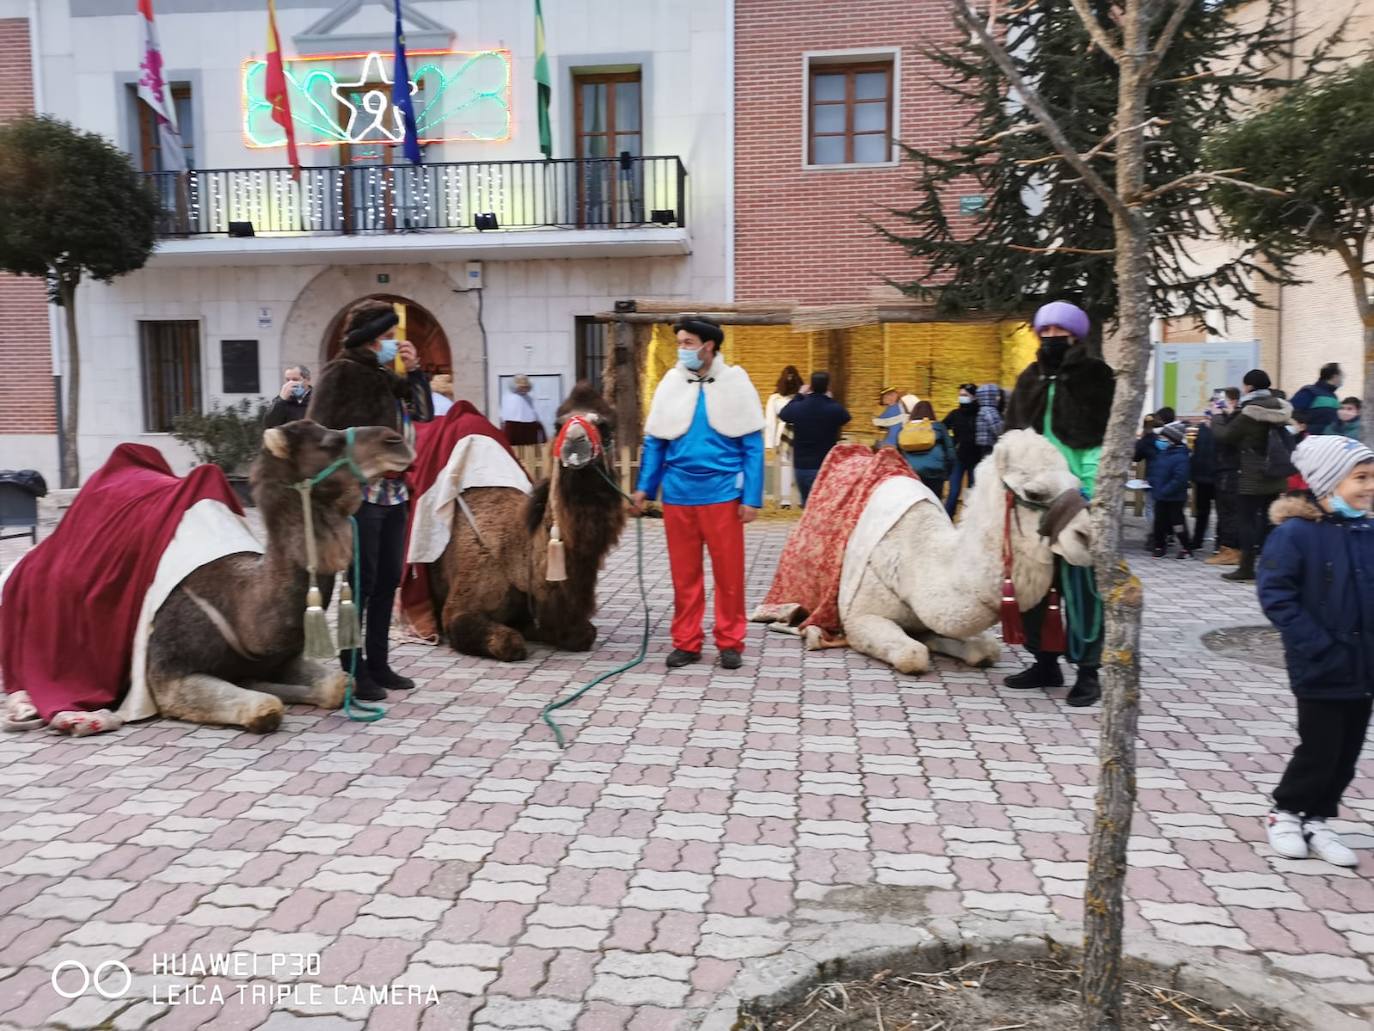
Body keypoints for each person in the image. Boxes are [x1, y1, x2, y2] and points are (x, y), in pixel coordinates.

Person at [307, 299, 433, 700]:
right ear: (367, 337)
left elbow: (426, 414)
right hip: (359, 493)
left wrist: (415, 373)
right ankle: (353, 664)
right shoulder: (339, 373)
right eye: (386, 336)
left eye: (393, 336)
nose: (393, 343)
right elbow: (317, 434)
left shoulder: (388, 376)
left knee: (387, 579)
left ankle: (379, 661)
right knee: (360, 582)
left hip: (395, 492)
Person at [1258, 434, 1374, 868]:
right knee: (1320, 747)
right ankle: (1285, 811)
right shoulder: (1295, 534)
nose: (1369, 487)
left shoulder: (1367, 532)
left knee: (1347, 751)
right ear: (1327, 483)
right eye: (1360, 477)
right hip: (1320, 665)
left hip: (1364, 669)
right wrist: (1318, 646)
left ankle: (1320, 818)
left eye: (1373, 478)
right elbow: (1276, 596)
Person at [630, 317, 764, 671]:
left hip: (723, 496)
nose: (681, 349)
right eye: (680, 343)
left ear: (708, 346)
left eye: (688, 343)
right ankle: (686, 642)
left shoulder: (736, 382)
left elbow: (752, 445)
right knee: (684, 576)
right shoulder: (671, 383)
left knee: (729, 575)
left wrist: (751, 496)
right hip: (678, 495)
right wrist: (644, 488)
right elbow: (655, 441)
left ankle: (730, 642)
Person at [1003, 300, 1114, 706]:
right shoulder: (1029, 378)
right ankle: (1044, 660)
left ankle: (1088, 671)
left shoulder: (1097, 377)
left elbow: (1098, 442)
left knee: (1081, 586)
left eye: (1059, 333)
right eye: (1044, 332)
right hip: (1032, 498)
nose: (1051, 339)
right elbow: (1011, 439)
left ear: (1075, 335)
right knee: (1034, 585)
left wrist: (1089, 491)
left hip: (1075, 499)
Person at [1210, 369, 1293, 582]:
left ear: (1249, 387)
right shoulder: (1281, 407)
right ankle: (1275, 567)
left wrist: (1217, 418)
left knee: (1246, 521)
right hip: (1275, 473)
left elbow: (1226, 436)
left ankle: (1246, 569)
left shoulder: (1250, 411)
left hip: (1251, 476)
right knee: (1270, 520)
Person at [779, 371, 851, 506]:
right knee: (824, 506)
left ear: (810, 386)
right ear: (828, 387)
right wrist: (829, 398)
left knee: (807, 506)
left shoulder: (800, 406)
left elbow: (784, 414)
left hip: (802, 465)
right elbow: (846, 417)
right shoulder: (833, 408)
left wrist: (799, 395)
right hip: (825, 464)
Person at [1136, 420, 1192, 558]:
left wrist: (1165, 490)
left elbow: (1180, 478)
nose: (1161, 440)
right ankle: (1159, 545)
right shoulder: (1164, 453)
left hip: (1174, 497)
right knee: (1159, 522)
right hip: (1160, 495)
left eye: (1164, 438)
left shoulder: (1181, 457)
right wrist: (1150, 482)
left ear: (1173, 440)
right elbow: (1157, 471)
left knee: (1177, 522)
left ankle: (1186, 547)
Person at [1206, 387, 1243, 566]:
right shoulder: (1228, 419)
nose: (1217, 407)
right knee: (1223, 512)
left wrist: (1217, 417)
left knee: (1230, 512)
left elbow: (1224, 437)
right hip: (1222, 469)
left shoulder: (1237, 418)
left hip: (1231, 471)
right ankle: (1226, 548)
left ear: (1233, 402)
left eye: (1221, 402)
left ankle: (1232, 551)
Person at [898, 400, 955, 498]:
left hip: (912, 471)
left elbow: (899, 452)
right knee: (934, 500)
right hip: (935, 471)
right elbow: (950, 452)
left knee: (914, 500)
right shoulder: (938, 427)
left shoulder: (905, 428)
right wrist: (947, 473)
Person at [764, 366, 803, 508]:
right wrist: (769, 442)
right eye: (788, 377)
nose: (790, 380)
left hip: (800, 433)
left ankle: (800, 499)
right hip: (782, 434)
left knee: (799, 466)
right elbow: (769, 421)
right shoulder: (774, 398)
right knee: (784, 467)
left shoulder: (802, 397)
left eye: (793, 377)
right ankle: (785, 500)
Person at [943, 383, 983, 516]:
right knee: (953, 492)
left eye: (965, 395)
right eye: (960, 395)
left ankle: (970, 521)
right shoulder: (955, 414)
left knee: (973, 492)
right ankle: (947, 520)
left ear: (974, 397)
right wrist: (952, 442)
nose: (962, 397)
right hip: (958, 458)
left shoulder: (980, 415)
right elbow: (942, 428)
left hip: (976, 459)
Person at [1290, 363, 1343, 436]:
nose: (1342, 380)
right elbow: (1292, 412)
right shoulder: (1309, 392)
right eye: (1341, 376)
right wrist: (1306, 429)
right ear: (1335, 377)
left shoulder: (1333, 396)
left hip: (1328, 440)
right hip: (1310, 440)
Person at [501, 376, 546, 445]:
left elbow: (535, 413)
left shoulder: (529, 398)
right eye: (521, 387)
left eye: (525, 387)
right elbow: (506, 416)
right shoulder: (509, 397)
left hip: (529, 428)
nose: (524, 389)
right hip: (514, 427)